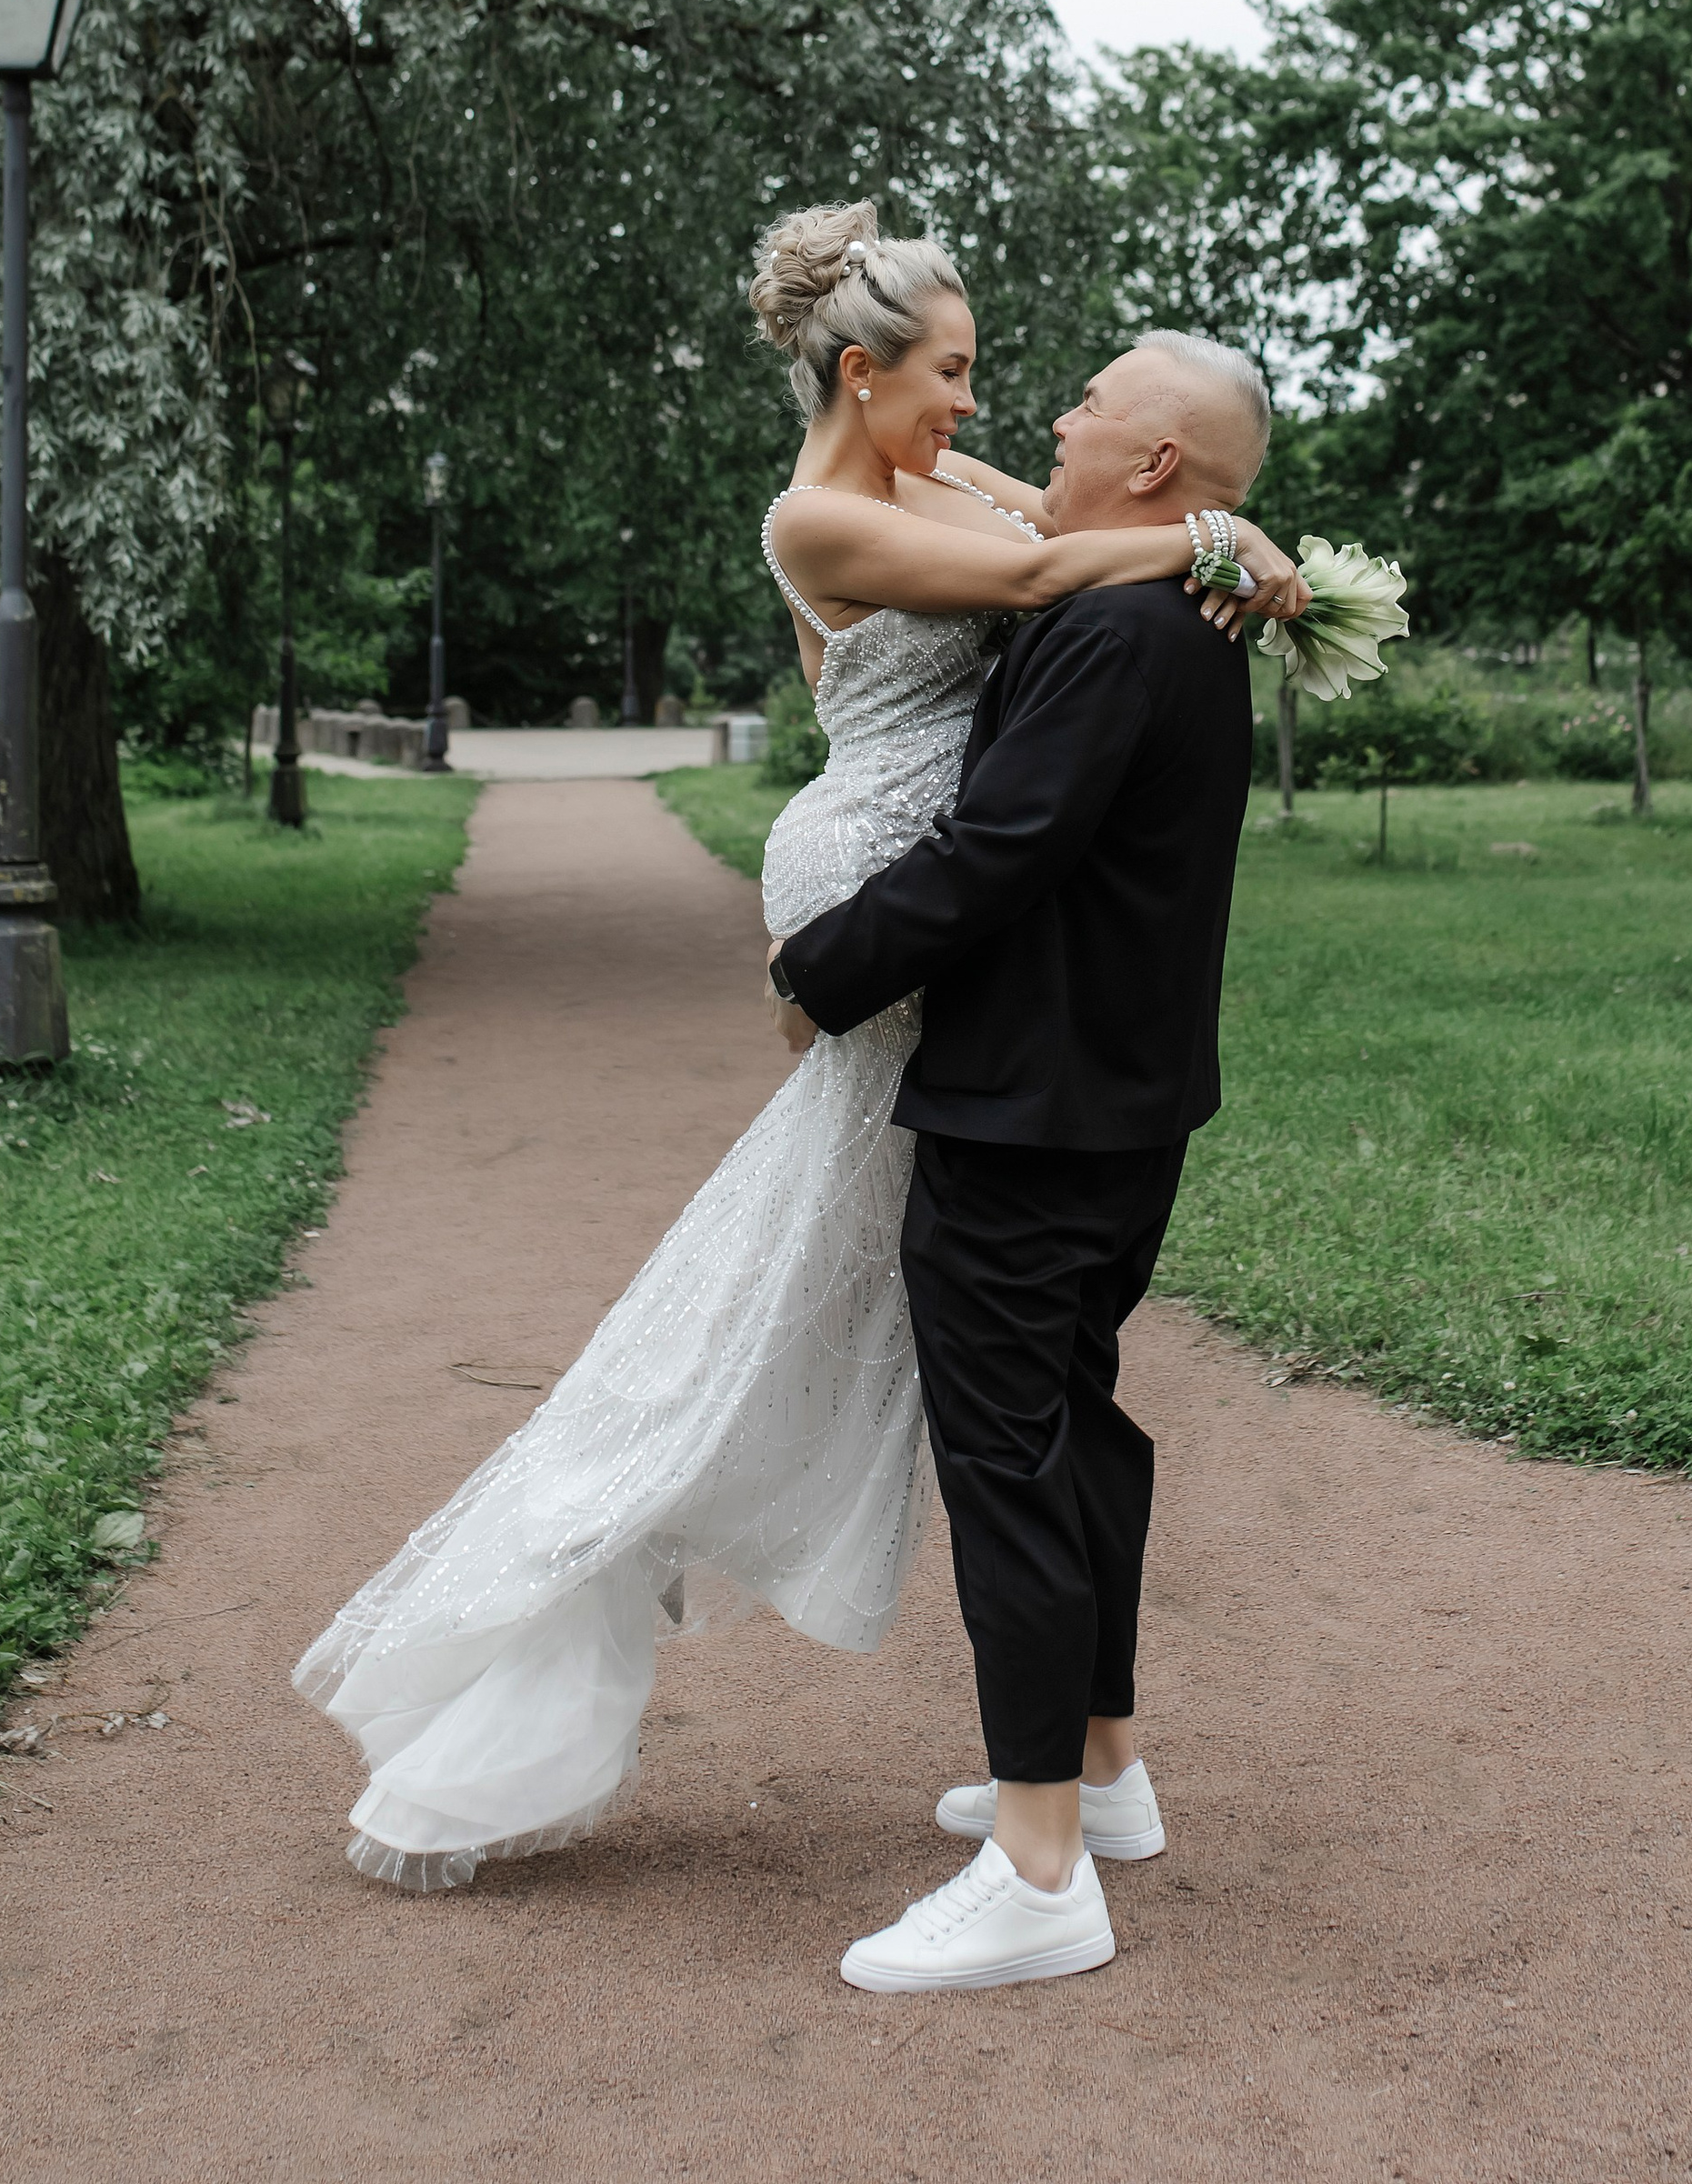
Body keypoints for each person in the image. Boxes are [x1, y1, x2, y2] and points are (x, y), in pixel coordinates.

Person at [292, 204, 1302, 1891]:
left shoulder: (947, 484)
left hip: (948, 926)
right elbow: (1064, 562)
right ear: (862, 369)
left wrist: (1227, 530)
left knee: (961, 1362)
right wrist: (1226, 544)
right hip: (886, 902)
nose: (993, 410)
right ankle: (1050, 1769)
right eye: (960, 373)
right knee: (925, 1356)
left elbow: (1065, 524)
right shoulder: (822, 514)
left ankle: (1079, 1771)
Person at [769, 299, 1278, 1994]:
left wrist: (821, 969)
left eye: (1082, 407)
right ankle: (1105, 1772)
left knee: (1009, 1453)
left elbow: (998, 853)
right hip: (1122, 1100)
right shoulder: (1190, 610)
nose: (1044, 424)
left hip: (1033, 1107)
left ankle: (1041, 1866)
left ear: (1151, 460)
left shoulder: (1125, 630)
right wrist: (1234, 540)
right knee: (1075, 1428)